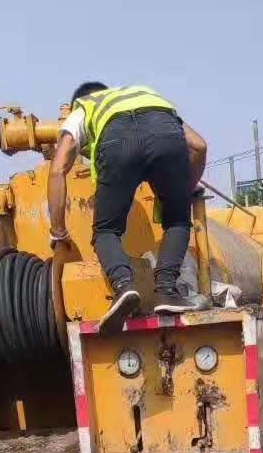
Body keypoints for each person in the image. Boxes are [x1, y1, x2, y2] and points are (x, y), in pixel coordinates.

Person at [48, 81, 212, 331]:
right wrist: (183, 192)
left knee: (106, 231)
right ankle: (167, 291)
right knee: (177, 221)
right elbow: (199, 146)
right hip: (166, 138)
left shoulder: (84, 108)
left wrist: (58, 229)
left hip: (117, 144)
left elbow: (58, 168)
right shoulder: (147, 96)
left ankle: (124, 286)